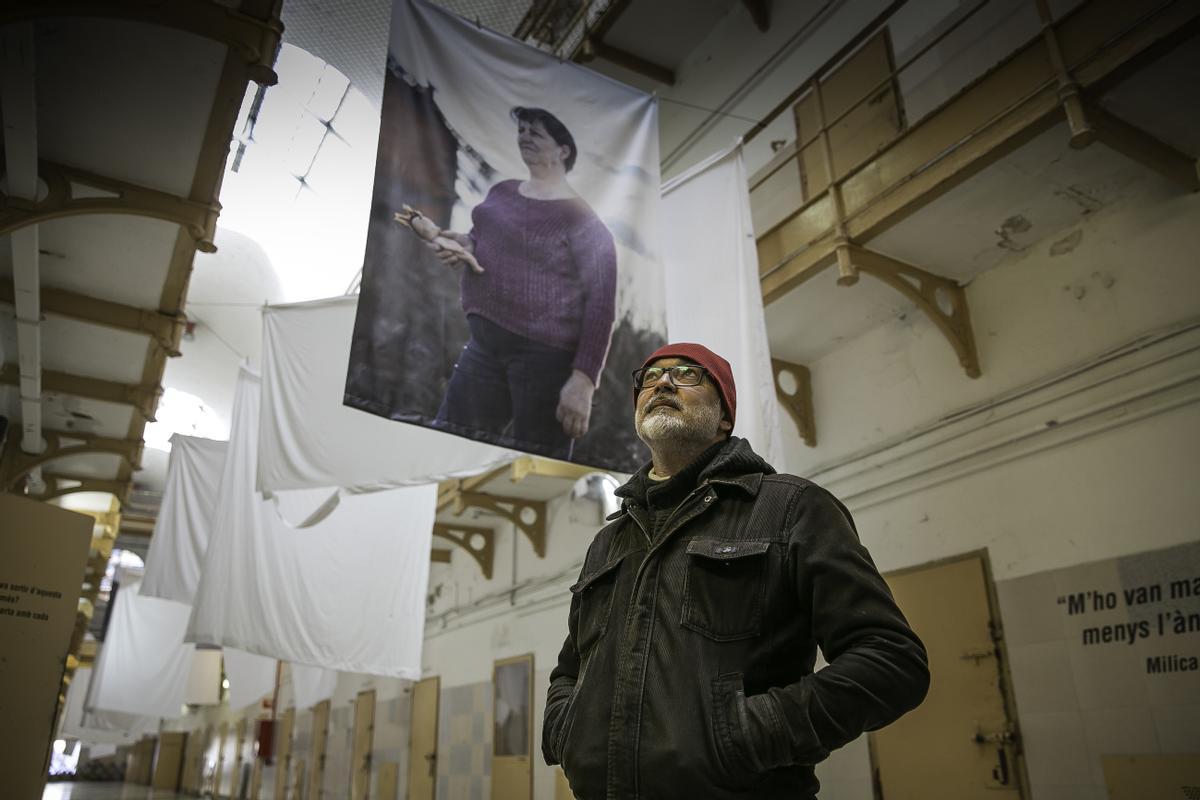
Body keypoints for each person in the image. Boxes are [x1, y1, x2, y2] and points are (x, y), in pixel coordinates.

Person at [542, 343, 930, 799]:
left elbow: (891, 661)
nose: (663, 382)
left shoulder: (789, 508)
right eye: (650, 377)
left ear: (724, 417)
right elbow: (570, 670)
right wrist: (566, 731)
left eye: (689, 375)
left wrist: (745, 736)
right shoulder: (609, 542)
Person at [428, 106, 617, 459]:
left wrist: (583, 381)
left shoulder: (585, 222)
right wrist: (464, 246)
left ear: (563, 151)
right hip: (483, 348)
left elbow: (602, 306)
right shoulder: (502, 192)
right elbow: (482, 242)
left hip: (545, 363)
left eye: (536, 132)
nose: (524, 136)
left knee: (536, 466)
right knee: (444, 449)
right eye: (522, 129)